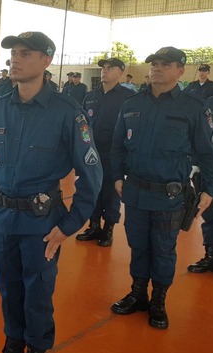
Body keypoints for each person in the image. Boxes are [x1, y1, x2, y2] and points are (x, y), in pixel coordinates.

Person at [0, 32, 102, 353]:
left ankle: (36, 348)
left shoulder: (67, 112)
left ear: (46, 60)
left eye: (25, 53)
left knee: (37, 288)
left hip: (42, 220)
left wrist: (71, 224)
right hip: (5, 216)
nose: (15, 59)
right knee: (8, 286)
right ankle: (12, 343)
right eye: (13, 53)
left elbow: (91, 173)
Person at [109, 46, 213, 330]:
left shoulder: (193, 108)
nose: (156, 68)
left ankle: (158, 300)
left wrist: (209, 190)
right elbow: (117, 145)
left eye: (165, 64)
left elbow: (209, 154)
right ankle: (138, 294)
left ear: (180, 71)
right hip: (135, 193)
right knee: (138, 247)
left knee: (163, 250)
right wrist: (117, 178)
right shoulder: (132, 104)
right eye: (154, 63)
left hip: (170, 197)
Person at [77, 58, 135, 247]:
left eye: (110, 68)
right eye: (103, 68)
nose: (105, 71)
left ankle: (108, 228)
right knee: (92, 189)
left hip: (114, 153)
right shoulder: (91, 96)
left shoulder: (128, 97)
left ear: (121, 72)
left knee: (111, 192)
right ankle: (93, 225)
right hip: (91, 153)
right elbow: (83, 124)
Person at [188, 92, 213, 273]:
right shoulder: (209, 102)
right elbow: (198, 135)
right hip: (209, 167)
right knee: (210, 211)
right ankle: (212, 255)